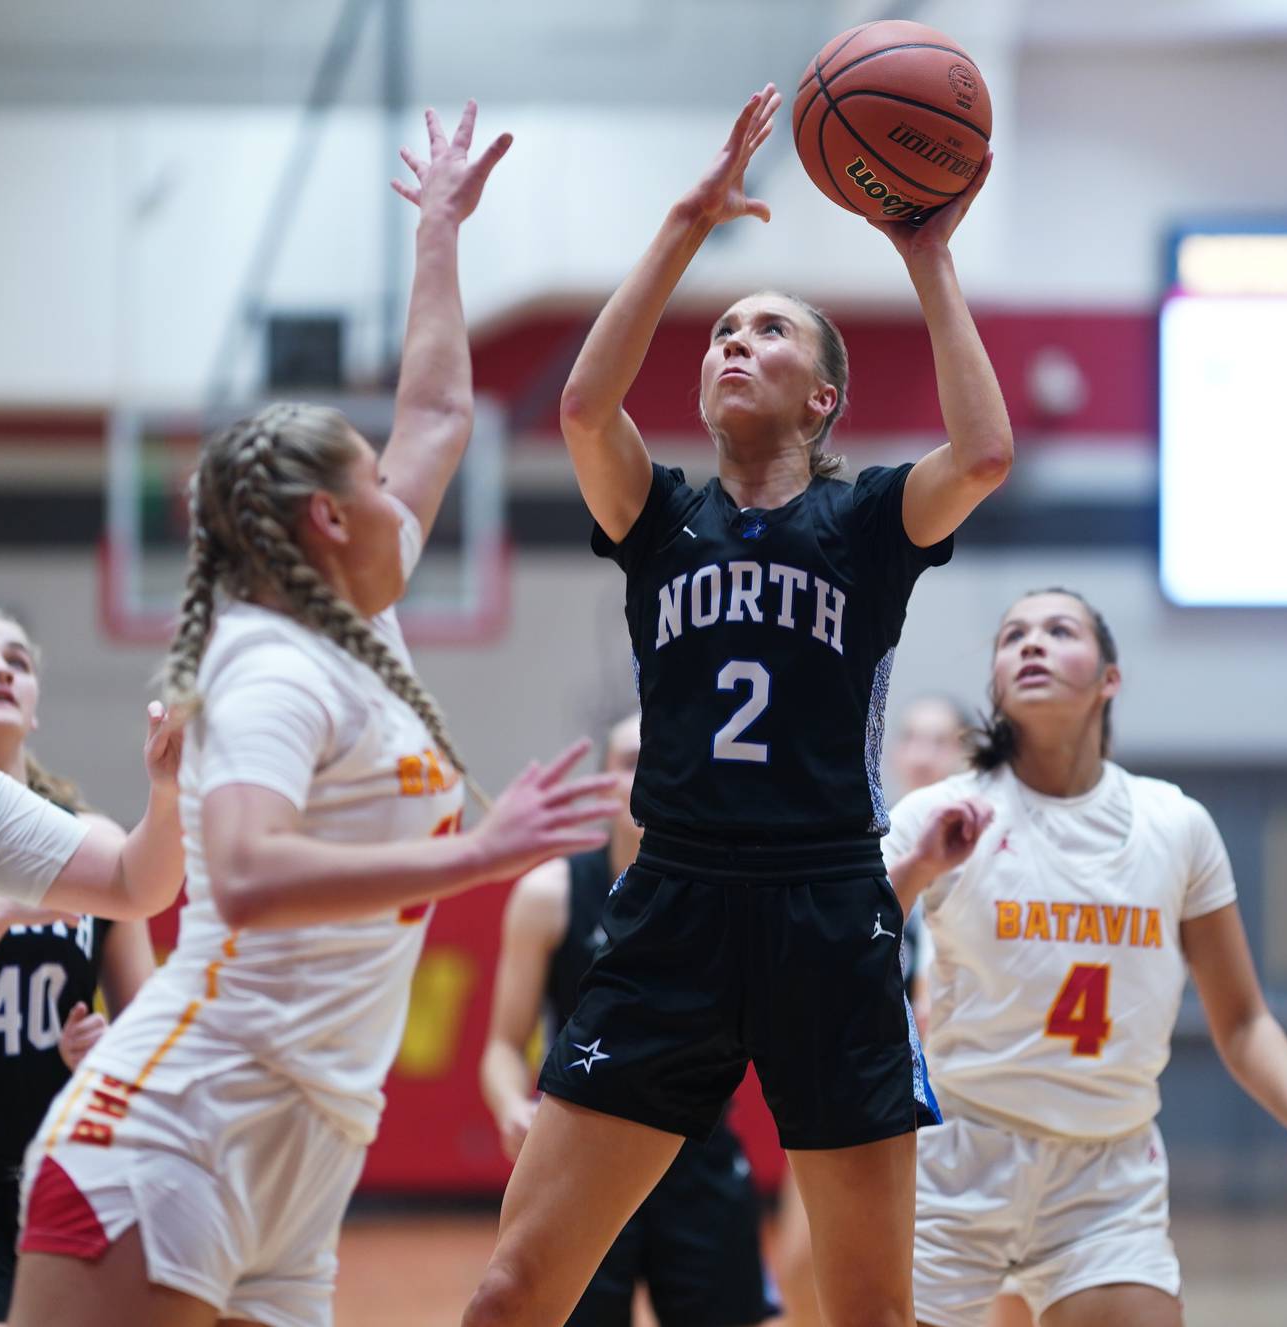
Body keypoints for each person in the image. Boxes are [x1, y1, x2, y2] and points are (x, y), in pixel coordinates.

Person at [8, 103, 618, 1327]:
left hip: (304, 1139)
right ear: (331, 524)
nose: (407, 497)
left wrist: (439, 232)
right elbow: (239, 871)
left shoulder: (357, 623)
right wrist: (480, 852)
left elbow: (441, 414)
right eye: (374, 485)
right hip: (181, 1125)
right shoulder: (272, 666)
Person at [460, 84, 1013, 1327]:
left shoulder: (865, 522)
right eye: (721, 335)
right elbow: (581, 410)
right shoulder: (660, 520)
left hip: (828, 902)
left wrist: (926, 256)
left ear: (823, 400)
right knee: (509, 1290)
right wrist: (682, 228)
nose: (729, 343)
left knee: (869, 1311)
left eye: (767, 333)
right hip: (675, 904)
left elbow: (982, 454)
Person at [883, 588, 1287, 1327]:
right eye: (1013, 636)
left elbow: (1241, 1020)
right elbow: (842, 951)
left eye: (1058, 630)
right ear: (997, 685)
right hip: (958, 1158)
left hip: (1107, 1174)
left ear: (1110, 677)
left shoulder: (1176, 824)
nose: (1031, 644)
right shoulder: (942, 812)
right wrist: (913, 869)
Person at [481, 711, 777, 1327]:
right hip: (582, 1151)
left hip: (697, 1153)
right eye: (628, 762)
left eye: (662, 760)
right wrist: (511, 1104)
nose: (645, 777)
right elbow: (503, 1046)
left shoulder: (736, 896)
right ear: (602, 783)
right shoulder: (549, 895)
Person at [0, 611, 158, 1327]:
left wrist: (113, 1051)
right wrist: (3, 909)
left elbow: (147, 1032)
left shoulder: (95, 844)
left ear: (35, 705)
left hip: (65, 1171)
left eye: (17, 659)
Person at [779, 692, 972, 1327]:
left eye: (938, 740)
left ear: (969, 753)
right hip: (853, 1081)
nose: (920, 754)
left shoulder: (989, 861)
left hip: (962, 1098)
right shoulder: (867, 843)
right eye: (909, 737)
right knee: (801, 1257)